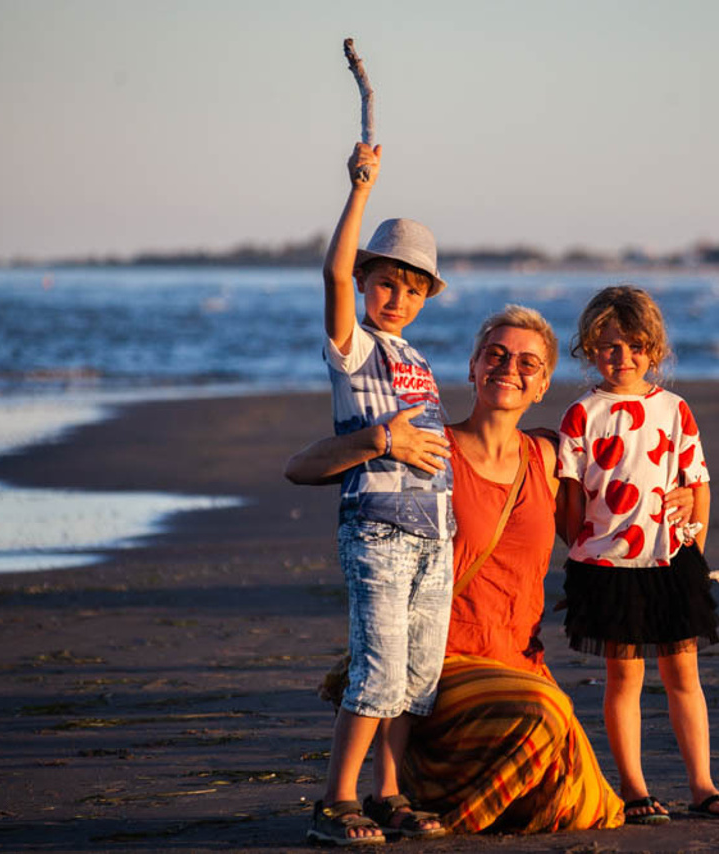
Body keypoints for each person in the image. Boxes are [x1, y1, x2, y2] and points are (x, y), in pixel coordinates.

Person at [286, 305, 698, 834]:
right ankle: (409, 789)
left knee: (589, 805)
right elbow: (299, 469)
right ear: (473, 367)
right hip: (442, 667)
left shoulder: (548, 457)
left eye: (528, 363)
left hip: (521, 663)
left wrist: (681, 498)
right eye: (496, 355)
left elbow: (609, 518)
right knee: (544, 714)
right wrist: (378, 441)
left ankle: (438, 792)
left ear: (543, 384)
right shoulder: (430, 449)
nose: (509, 369)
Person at [557, 285, 719, 824]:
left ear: (654, 351)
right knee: (624, 679)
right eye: (609, 346)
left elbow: (699, 483)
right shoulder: (582, 414)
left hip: (671, 562)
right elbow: (568, 500)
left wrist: (695, 556)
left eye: (635, 346)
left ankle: (702, 785)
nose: (622, 357)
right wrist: (583, 551)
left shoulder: (674, 409)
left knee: (683, 676)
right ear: (590, 348)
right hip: (607, 567)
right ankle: (635, 789)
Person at [305, 138, 452, 845]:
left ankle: (389, 793)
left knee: (418, 678)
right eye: (386, 284)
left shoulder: (415, 355)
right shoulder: (354, 346)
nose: (397, 299)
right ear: (366, 283)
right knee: (378, 670)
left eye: (413, 290)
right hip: (379, 528)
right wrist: (360, 187)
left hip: (434, 535)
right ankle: (336, 801)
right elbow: (332, 273)